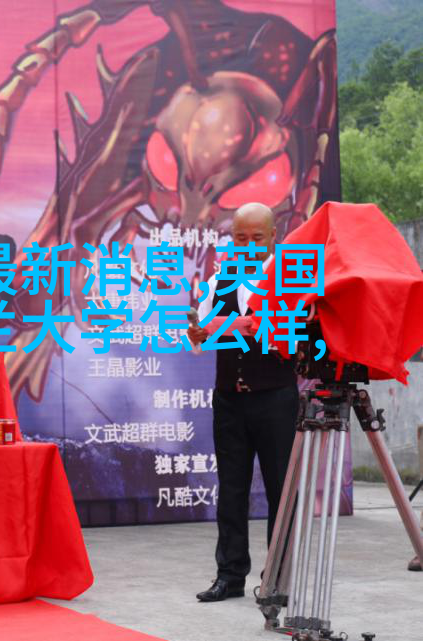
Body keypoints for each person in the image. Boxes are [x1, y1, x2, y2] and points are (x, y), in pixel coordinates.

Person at [187, 202, 299, 603]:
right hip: (229, 400)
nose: (248, 245)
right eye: (240, 237)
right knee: (231, 489)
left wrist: (258, 327)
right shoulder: (219, 280)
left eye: (257, 237)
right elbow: (201, 333)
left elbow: (299, 336)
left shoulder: (291, 277)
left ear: (273, 237)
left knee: (280, 490)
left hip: (275, 399)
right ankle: (230, 575)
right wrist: (198, 333)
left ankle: (278, 579)